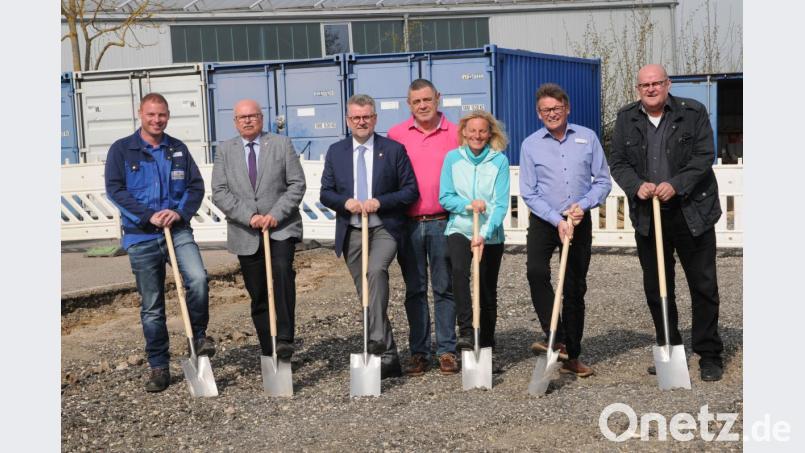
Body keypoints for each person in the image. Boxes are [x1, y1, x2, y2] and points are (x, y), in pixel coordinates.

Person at [609, 64, 724, 381]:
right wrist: (636, 186)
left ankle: (709, 353)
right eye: (644, 85)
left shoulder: (692, 112)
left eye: (656, 83)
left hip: (691, 212)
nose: (650, 89)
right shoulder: (626, 118)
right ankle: (670, 349)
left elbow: (704, 155)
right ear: (638, 89)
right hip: (650, 216)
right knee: (657, 286)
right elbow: (617, 161)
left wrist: (676, 184)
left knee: (703, 285)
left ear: (667, 84)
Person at [105, 93, 215, 393]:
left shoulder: (177, 149)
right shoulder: (122, 150)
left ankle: (198, 337)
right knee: (152, 305)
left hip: (177, 230)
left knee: (198, 279)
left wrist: (178, 213)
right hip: (141, 235)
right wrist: (148, 215)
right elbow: (115, 190)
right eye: (151, 114)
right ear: (140, 113)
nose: (157, 120)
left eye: (162, 115)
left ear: (168, 115)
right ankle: (159, 365)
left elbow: (195, 187)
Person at [320, 94, 419, 379]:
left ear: (375, 118)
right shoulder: (336, 152)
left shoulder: (393, 150)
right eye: (356, 117)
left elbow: (410, 190)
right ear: (348, 120)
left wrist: (381, 201)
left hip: (384, 227)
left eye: (366, 117)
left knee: (375, 271)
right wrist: (345, 202)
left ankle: (376, 340)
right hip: (352, 230)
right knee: (367, 294)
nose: (361, 122)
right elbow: (326, 193)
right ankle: (389, 356)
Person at [520, 83, 611, 378]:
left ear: (567, 108)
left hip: (578, 221)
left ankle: (573, 354)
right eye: (545, 110)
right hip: (545, 220)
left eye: (556, 108)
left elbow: (603, 181)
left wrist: (582, 206)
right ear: (538, 113)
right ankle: (555, 336)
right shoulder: (530, 144)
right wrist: (555, 219)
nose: (551, 114)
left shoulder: (587, 137)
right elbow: (529, 191)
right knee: (536, 272)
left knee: (573, 286)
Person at [211, 99, 306, 361]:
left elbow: (297, 184)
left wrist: (275, 215)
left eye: (253, 116)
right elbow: (219, 192)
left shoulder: (281, 144)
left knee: (282, 272)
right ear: (235, 122)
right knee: (258, 291)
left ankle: (284, 339)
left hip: (281, 228)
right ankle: (269, 350)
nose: (248, 120)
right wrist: (249, 217)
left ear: (261, 118)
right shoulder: (224, 150)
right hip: (246, 232)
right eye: (242, 117)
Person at [388, 79, 460, 376]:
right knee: (415, 290)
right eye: (416, 101)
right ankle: (419, 352)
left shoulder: (456, 133)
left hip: (444, 221)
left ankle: (447, 350)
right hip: (409, 224)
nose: (422, 105)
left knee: (444, 288)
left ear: (437, 98)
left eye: (427, 99)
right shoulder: (396, 135)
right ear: (409, 104)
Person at [439, 110, 510, 353]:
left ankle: (487, 343)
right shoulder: (452, 159)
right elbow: (445, 197)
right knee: (459, 273)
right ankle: (467, 331)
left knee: (487, 288)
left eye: (482, 131)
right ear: (464, 133)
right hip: (460, 228)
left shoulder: (499, 161)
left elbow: (500, 205)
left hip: (490, 233)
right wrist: (468, 205)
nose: (477, 136)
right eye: (472, 131)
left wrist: (484, 234)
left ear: (490, 134)